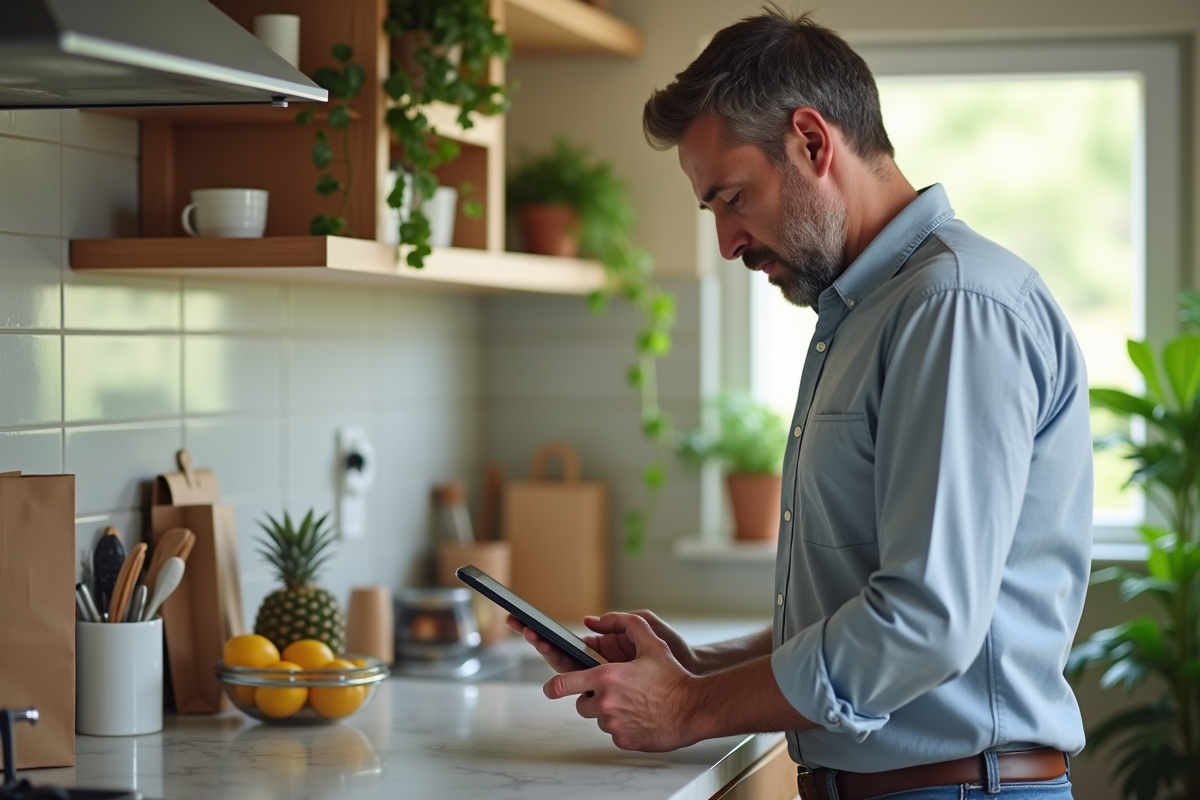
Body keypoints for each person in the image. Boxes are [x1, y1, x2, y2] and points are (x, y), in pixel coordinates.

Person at [508, 8, 1092, 800]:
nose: (725, 242)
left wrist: (690, 707)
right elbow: (863, 602)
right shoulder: (866, 314)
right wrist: (695, 667)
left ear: (812, 143)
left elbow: (924, 623)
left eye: (732, 198)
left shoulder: (953, 306)